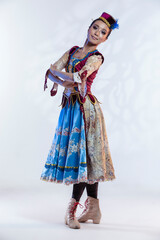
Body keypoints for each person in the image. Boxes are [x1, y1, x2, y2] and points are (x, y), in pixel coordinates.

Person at [40, 12, 119, 229]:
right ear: (88, 28)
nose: (98, 33)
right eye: (96, 28)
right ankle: (93, 208)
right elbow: (53, 68)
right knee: (84, 159)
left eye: (103, 32)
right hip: (70, 110)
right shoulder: (74, 51)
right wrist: (64, 79)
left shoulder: (96, 57)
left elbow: (77, 77)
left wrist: (64, 78)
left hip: (86, 111)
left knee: (85, 159)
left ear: (105, 39)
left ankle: (72, 208)